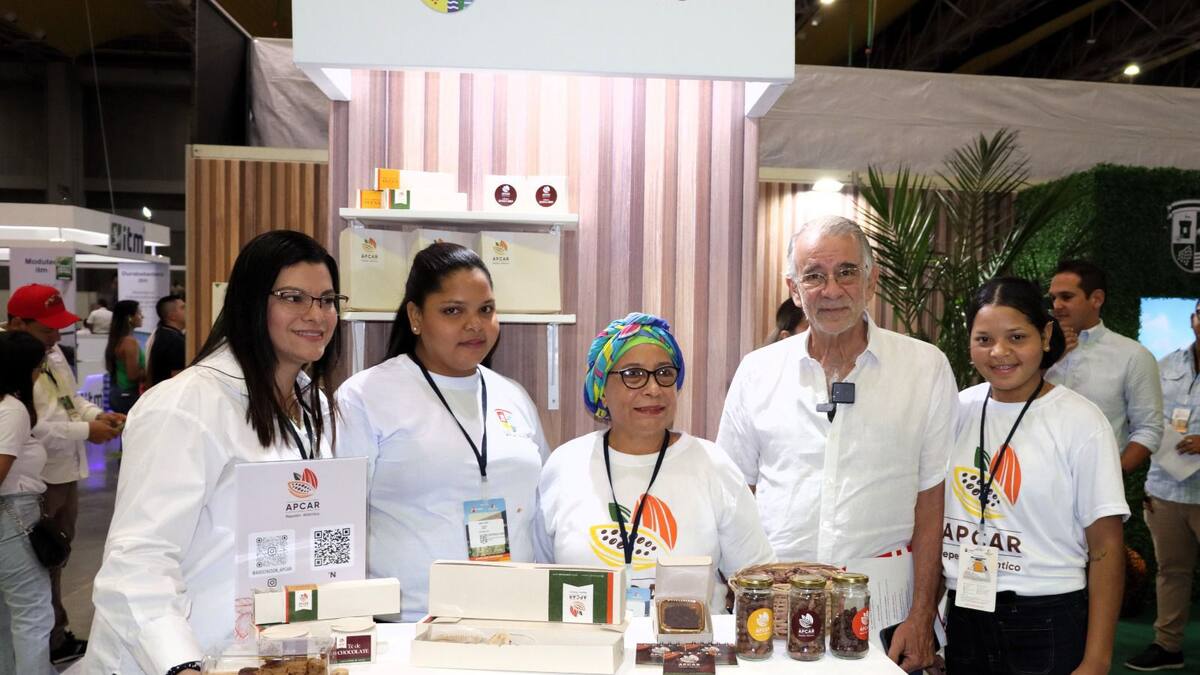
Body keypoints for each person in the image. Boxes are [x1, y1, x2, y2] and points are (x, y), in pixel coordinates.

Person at [77, 230, 345, 675]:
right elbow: (138, 561)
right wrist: (182, 664)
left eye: (328, 300)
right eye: (293, 297)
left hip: (261, 651)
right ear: (250, 303)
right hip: (179, 658)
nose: (317, 314)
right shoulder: (185, 405)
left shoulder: (312, 402)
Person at [717, 215, 956, 671]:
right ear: (794, 289)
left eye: (847, 272)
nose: (831, 290)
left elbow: (933, 501)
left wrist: (923, 614)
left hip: (883, 610)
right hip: (775, 610)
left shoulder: (924, 369)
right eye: (814, 276)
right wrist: (742, 592)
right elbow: (732, 494)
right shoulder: (757, 372)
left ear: (871, 280)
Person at [337, 242, 549, 622]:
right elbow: (339, 522)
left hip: (512, 618)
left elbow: (542, 508)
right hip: (407, 623)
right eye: (453, 310)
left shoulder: (512, 396)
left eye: (486, 309)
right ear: (416, 316)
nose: (475, 325)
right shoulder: (366, 396)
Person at [943, 276, 1127, 675]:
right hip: (964, 615)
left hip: (1045, 618)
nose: (999, 352)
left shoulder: (1080, 421)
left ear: (1045, 336)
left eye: (1016, 337)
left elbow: (1106, 547)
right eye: (984, 339)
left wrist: (1097, 659)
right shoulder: (956, 410)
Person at [535, 313, 774, 611]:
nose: (653, 388)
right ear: (602, 391)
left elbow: (760, 583)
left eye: (664, 373)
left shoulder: (713, 465)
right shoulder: (565, 465)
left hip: (692, 641)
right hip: (585, 640)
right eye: (633, 374)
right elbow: (540, 577)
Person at [5, 284, 122, 664]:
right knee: (34, 573)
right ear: (17, 323)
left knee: (54, 557)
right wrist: (87, 430)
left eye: (58, 328)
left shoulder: (51, 354)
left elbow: (70, 400)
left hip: (62, 472)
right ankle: (43, 646)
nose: (55, 336)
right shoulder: (12, 365)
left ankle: (56, 636)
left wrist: (96, 416)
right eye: (46, 329)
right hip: (30, 483)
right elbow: (31, 427)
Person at [1125, 298, 1200, 672]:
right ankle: (1168, 646)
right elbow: (1146, 422)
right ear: (1193, 319)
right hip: (1166, 491)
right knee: (1171, 571)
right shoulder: (1165, 365)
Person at [1047, 260, 1162, 473]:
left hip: (1097, 481)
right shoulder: (1035, 352)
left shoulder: (1133, 355)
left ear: (1096, 299)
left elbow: (1149, 429)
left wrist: (1110, 478)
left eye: (1066, 297)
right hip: (1033, 478)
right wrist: (1049, 360)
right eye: (1053, 298)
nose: (1057, 306)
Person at [0, 331, 56, 675]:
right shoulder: (12, 410)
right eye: (38, 367)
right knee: (32, 612)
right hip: (12, 516)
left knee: (8, 616)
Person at [104, 300, 145, 414]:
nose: (142, 316)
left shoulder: (117, 339)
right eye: (139, 313)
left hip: (118, 394)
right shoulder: (129, 342)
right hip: (127, 395)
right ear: (129, 318)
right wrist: (150, 369)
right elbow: (133, 375)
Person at [147, 294, 186, 386]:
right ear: (172, 316)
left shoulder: (161, 332)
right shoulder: (174, 340)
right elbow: (178, 377)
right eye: (183, 308)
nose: (188, 310)